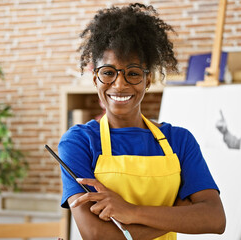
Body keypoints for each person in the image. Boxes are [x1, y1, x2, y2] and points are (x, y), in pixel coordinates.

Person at [58, 3, 226, 239]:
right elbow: (97, 235)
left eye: (133, 73)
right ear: (95, 78)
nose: (119, 84)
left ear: (148, 81)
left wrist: (131, 212)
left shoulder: (179, 140)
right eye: (108, 72)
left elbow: (214, 219)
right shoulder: (79, 142)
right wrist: (179, 213)